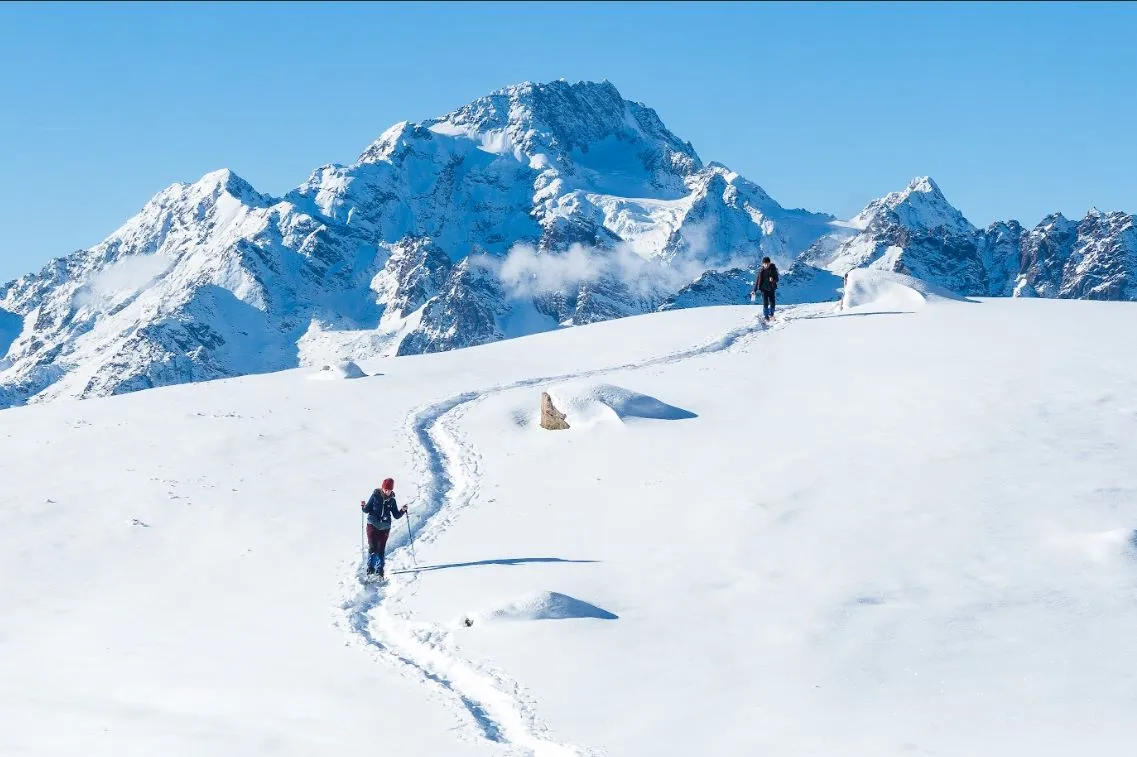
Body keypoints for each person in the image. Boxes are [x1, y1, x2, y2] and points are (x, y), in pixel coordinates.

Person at [361, 477, 407, 578]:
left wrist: (403, 510)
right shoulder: (375, 496)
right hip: (372, 524)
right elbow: (367, 510)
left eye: (389, 490)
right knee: (372, 547)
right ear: (382, 488)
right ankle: (370, 569)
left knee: (381, 549)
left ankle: (380, 570)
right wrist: (363, 506)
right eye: (385, 489)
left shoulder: (392, 501)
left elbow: (396, 515)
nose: (387, 491)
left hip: (385, 527)